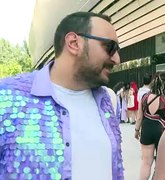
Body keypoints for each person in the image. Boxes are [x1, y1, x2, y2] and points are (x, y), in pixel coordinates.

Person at [0, 12, 124, 180]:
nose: (117, 59)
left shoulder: (107, 100)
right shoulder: (7, 97)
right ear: (74, 43)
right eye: (110, 48)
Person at [134, 71, 165, 180]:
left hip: (146, 129)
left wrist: (136, 130)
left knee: (146, 162)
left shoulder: (144, 97)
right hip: (162, 131)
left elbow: (139, 117)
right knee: (161, 163)